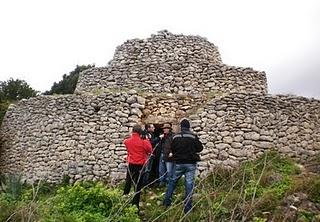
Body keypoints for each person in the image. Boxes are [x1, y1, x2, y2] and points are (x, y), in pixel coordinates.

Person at [163, 119, 203, 214]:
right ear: (188, 127)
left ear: (181, 127)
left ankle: (166, 203)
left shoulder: (175, 137)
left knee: (172, 182)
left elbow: (172, 148)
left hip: (179, 163)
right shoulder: (193, 136)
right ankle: (187, 209)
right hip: (190, 164)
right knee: (189, 185)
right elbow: (200, 148)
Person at [123, 124, 152, 209]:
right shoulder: (144, 141)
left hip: (131, 164)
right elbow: (150, 150)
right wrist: (146, 139)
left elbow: (125, 142)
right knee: (138, 184)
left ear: (132, 131)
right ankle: (135, 205)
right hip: (140, 165)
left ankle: (124, 198)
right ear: (140, 132)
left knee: (128, 181)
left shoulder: (127, 141)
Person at [158, 123, 174, 187]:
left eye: (165, 128)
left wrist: (172, 152)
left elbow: (175, 145)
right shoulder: (163, 136)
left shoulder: (173, 136)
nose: (164, 130)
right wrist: (160, 139)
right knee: (161, 169)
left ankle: (168, 183)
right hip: (162, 154)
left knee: (169, 170)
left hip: (169, 155)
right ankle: (162, 182)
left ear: (169, 129)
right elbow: (160, 145)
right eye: (163, 129)